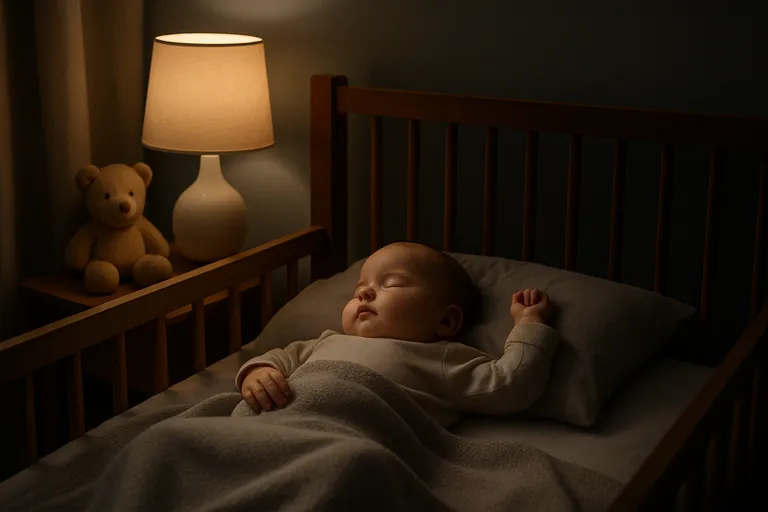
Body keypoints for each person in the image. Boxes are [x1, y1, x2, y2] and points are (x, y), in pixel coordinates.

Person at [235, 242, 559, 427]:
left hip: (345, 436)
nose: (364, 294)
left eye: (391, 284)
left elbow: (509, 384)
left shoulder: (441, 358)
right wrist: (258, 372)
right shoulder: (326, 341)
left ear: (446, 321)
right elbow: (279, 357)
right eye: (359, 290)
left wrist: (528, 323)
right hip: (269, 424)